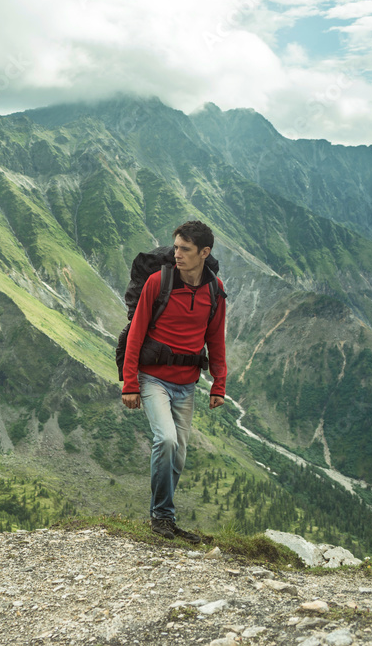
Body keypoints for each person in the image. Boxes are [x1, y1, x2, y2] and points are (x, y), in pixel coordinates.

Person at [121, 220, 227, 542]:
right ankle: (163, 518)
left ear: (204, 253)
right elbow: (136, 333)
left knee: (178, 455)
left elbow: (216, 339)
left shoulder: (214, 291)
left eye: (186, 249)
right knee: (165, 440)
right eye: (176, 247)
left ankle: (160, 515)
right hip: (153, 378)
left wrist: (218, 384)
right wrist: (129, 384)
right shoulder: (159, 282)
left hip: (187, 385)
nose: (177, 254)